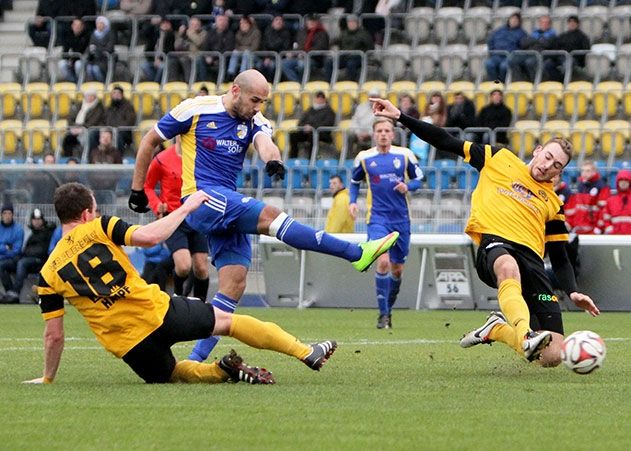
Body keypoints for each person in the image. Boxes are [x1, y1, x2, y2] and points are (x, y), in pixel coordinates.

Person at [128, 69, 398, 363]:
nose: (258, 107)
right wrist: (137, 190)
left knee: (235, 283)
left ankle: (193, 362)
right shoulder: (195, 109)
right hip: (201, 200)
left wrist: (274, 160)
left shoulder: (255, 120)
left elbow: (264, 143)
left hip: (225, 205)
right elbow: (149, 141)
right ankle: (355, 253)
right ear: (235, 91)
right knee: (270, 215)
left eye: (262, 102)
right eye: (254, 100)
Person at [24, 182, 338, 385]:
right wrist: (185, 208)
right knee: (228, 322)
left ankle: (221, 370)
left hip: (129, 345)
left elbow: (54, 336)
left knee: (173, 374)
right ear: (86, 212)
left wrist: (48, 378)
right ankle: (304, 351)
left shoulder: (48, 273)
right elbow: (149, 237)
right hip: (157, 311)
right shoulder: (99, 227)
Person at [370, 96, 599, 366]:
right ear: (537, 150)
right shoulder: (498, 158)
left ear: (560, 172)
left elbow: (559, 257)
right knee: (507, 267)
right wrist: (401, 117)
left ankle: (497, 330)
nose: (548, 165)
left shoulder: (553, 203)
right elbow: (446, 141)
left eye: (557, 165)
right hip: (496, 246)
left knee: (552, 356)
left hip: (533, 264)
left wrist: (572, 291)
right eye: (548, 156)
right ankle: (525, 332)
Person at [349, 117, 423, 329]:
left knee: (397, 269)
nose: (383, 134)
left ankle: (388, 308)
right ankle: (383, 316)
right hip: (377, 218)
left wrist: (408, 187)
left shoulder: (405, 155)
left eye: (387, 130)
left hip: (401, 219)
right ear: (374, 134)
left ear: (392, 134)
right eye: (379, 130)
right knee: (382, 262)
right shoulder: (364, 158)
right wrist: (352, 202)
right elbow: (354, 181)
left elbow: (419, 178)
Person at [144, 136, 210, 299]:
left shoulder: (200, 158)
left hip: (196, 218)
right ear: (179, 136)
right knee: (183, 266)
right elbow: (148, 186)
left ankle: (201, 307)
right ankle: (179, 298)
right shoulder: (162, 159)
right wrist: (156, 205)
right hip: (173, 219)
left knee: (201, 268)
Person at [0, 208, 55, 304]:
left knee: (22, 263)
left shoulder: (48, 232)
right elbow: (24, 251)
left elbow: (41, 251)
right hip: (28, 260)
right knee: (3, 265)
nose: (37, 222)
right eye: (34, 219)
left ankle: (15, 292)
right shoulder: (31, 233)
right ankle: (10, 293)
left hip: (40, 261)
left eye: (39, 219)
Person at [565, 160, 610, 235]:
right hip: (579, 228)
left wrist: (599, 228)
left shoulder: (602, 186)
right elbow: (577, 208)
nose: (584, 173)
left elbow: (604, 209)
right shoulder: (580, 186)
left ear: (594, 172)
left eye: (588, 171)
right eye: (582, 171)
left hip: (593, 229)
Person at [288, 90, 336, 159]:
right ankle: (293, 158)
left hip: (321, 133)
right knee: (293, 135)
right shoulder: (310, 109)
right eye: (317, 98)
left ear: (324, 99)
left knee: (313, 135)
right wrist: (304, 127)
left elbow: (328, 123)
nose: (318, 100)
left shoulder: (329, 111)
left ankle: (311, 159)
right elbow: (301, 122)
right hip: (307, 132)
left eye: (320, 98)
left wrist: (312, 128)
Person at [509, 15, 556, 82]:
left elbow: (547, 44)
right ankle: (519, 82)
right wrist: (538, 40)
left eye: (546, 23)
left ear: (549, 25)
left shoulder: (552, 34)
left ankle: (535, 82)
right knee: (513, 60)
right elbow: (523, 43)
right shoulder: (535, 33)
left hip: (542, 55)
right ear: (539, 23)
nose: (544, 24)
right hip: (529, 53)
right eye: (542, 22)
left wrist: (534, 40)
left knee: (530, 62)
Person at [544, 15, 590, 82]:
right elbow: (555, 46)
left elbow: (585, 50)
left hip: (574, 58)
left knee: (567, 64)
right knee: (547, 64)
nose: (572, 24)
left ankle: (564, 83)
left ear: (578, 24)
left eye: (574, 22)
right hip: (560, 57)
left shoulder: (582, 37)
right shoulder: (563, 36)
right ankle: (556, 81)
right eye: (570, 22)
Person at [485, 12, 526, 82]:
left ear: (519, 22)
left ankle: (502, 83)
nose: (513, 21)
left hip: (509, 56)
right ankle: (495, 83)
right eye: (512, 19)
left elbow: (523, 47)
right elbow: (490, 41)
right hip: (496, 55)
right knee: (489, 64)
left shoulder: (521, 33)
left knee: (503, 66)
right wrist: (492, 52)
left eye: (516, 20)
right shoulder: (499, 30)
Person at [0, 203, 24, 303]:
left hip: (12, 260)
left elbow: (16, 250)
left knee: (1, 266)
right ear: (1, 215)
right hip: (3, 258)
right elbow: (9, 249)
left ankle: (10, 293)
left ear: (13, 215)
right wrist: (5, 247)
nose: (7, 216)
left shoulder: (19, 230)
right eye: (5, 213)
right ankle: (10, 295)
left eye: (9, 213)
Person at [103, 85, 136, 154]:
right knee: (95, 134)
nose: (116, 95)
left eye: (118, 93)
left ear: (122, 95)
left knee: (117, 136)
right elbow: (104, 120)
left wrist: (116, 129)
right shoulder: (109, 108)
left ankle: (118, 156)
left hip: (123, 131)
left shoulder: (128, 107)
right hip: (109, 130)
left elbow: (130, 121)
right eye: (114, 93)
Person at [597, 169, 631, 235]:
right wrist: (610, 230)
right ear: (617, 182)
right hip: (614, 237)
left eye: (626, 180)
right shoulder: (611, 201)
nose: (623, 183)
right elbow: (606, 218)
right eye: (621, 180)